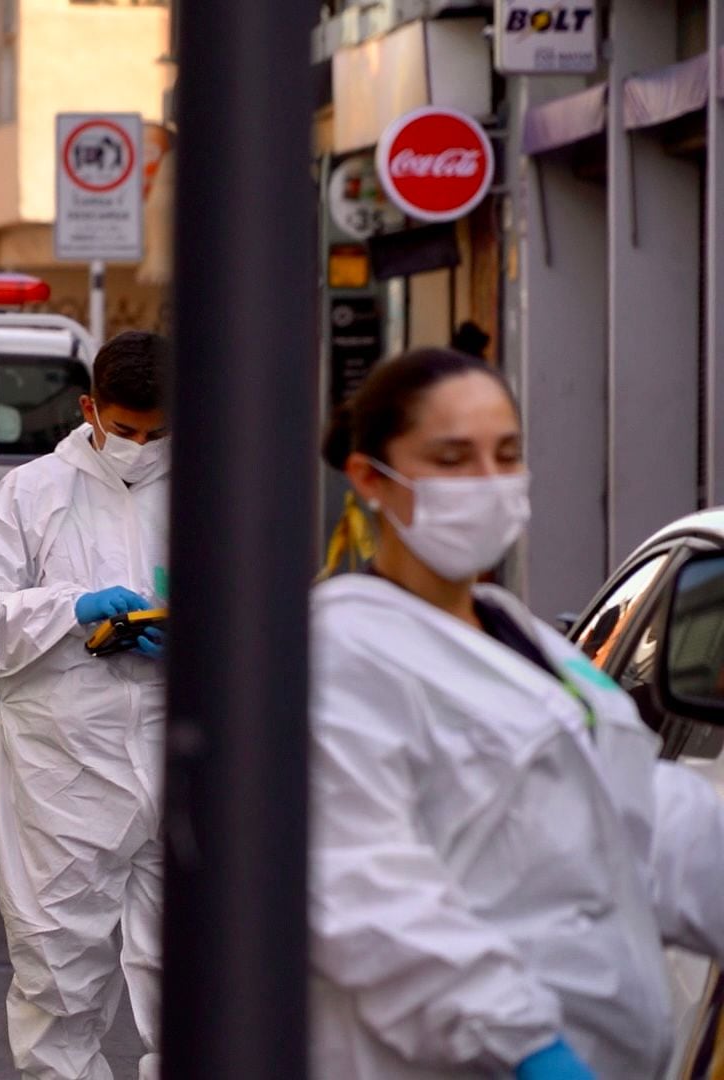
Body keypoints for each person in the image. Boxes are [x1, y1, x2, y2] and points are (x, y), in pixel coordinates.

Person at [311, 347, 724, 1078]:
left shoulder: (524, 638)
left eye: (506, 455)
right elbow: (371, 896)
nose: (489, 484)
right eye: (452, 458)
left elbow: (633, 814)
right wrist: (529, 1048)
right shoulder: (340, 657)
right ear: (372, 478)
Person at [0, 330, 169, 1080]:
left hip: (180, 752)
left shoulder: (214, 490)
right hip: (65, 763)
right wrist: (71, 609)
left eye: (157, 432)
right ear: (88, 408)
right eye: (125, 430)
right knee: (58, 969)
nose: (140, 447)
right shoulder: (32, 494)